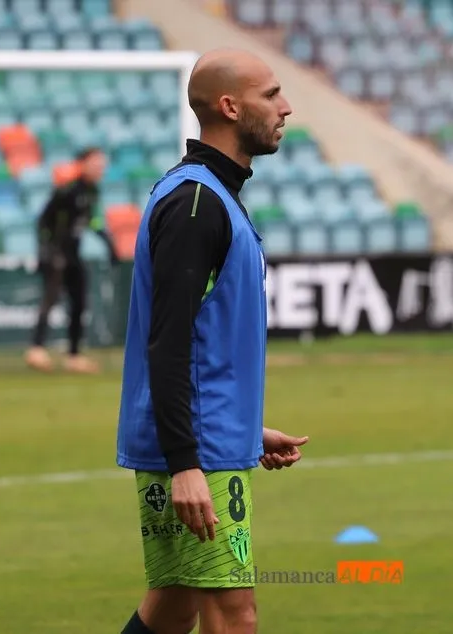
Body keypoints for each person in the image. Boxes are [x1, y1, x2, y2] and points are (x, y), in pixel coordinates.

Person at [115, 48, 304, 634]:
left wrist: (244, 428)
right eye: (270, 95)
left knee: (173, 605)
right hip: (196, 454)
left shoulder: (205, 194)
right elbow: (168, 342)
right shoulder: (197, 204)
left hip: (207, 439)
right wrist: (186, 463)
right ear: (229, 107)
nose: (285, 107)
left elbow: (203, 342)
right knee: (233, 613)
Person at [24, 147, 118, 374]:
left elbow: (92, 221)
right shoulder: (67, 190)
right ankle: (36, 349)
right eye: (96, 163)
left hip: (73, 253)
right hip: (55, 252)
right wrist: (47, 251)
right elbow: (44, 220)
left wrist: (109, 245)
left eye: (102, 164)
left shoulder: (92, 191)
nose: (101, 168)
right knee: (50, 298)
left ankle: (73, 355)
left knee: (79, 302)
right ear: (82, 164)